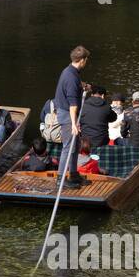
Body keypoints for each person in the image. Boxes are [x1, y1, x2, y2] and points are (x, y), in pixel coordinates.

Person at [54, 44, 91, 186]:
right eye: (86, 60)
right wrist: (74, 124)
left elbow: (75, 84)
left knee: (75, 146)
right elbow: (73, 106)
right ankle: (61, 179)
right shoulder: (71, 77)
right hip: (67, 116)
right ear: (81, 60)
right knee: (68, 147)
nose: (86, 63)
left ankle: (74, 174)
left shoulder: (70, 70)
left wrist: (83, 86)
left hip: (68, 114)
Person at [79, 84, 113, 152]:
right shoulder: (107, 107)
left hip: (85, 142)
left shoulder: (83, 106)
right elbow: (113, 118)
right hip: (102, 142)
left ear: (92, 94)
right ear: (103, 95)